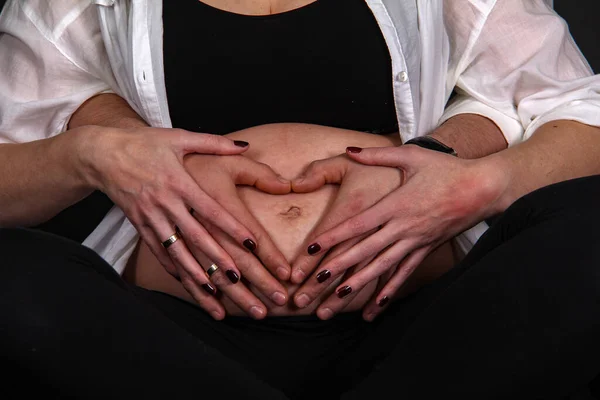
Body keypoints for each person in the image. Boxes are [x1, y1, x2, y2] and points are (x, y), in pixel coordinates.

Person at [1, 0, 600, 398]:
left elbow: (580, 110)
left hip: (425, 329)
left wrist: (470, 182)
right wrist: (96, 155)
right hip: (167, 337)